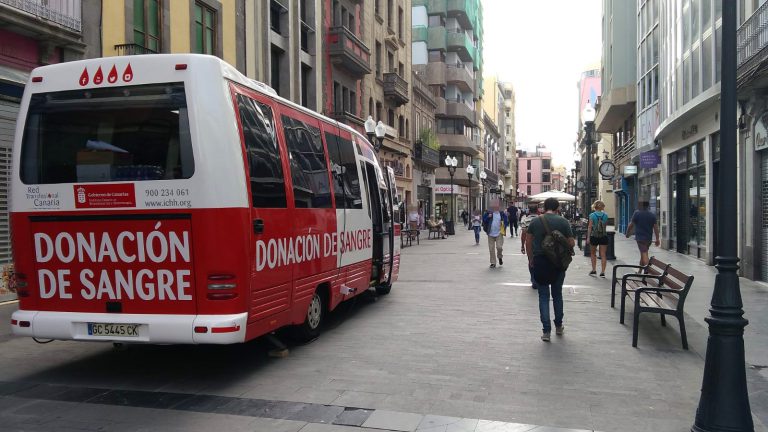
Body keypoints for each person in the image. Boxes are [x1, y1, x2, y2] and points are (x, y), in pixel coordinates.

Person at [525, 198, 575, 342]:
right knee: (557, 294)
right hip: (558, 262)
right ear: (558, 207)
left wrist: (531, 259)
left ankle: (546, 331)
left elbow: (528, 241)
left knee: (543, 296)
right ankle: (558, 326)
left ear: (544, 207)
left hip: (540, 261)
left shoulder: (535, 221)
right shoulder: (563, 222)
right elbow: (571, 242)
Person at [626, 201, 660, 266]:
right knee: (643, 253)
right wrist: (657, 239)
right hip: (648, 239)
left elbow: (631, 225)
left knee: (644, 253)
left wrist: (627, 233)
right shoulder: (652, 215)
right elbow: (656, 228)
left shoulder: (637, 213)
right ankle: (640, 270)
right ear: (648, 206)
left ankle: (647, 269)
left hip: (640, 239)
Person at [482, 200, 509, 268]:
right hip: (490, 233)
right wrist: (488, 217)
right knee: (491, 249)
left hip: (499, 233)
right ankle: (493, 262)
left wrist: (504, 226)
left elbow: (506, 221)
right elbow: (484, 220)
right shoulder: (488, 213)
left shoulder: (502, 213)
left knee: (499, 247)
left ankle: (500, 257)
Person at [587, 200, 609, 278]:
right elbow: (605, 227)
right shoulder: (605, 215)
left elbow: (590, 227)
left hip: (594, 236)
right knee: (603, 254)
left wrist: (588, 237)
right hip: (603, 236)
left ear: (595, 206)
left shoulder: (592, 215)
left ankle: (594, 270)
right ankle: (603, 272)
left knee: (593, 253)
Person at [519, 203, 540, 289]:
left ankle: (533, 279)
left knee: (531, 260)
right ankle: (538, 278)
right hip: (540, 243)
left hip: (529, 244)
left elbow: (523, 234)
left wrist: (522, 246)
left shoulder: (525, 220)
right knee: (539, 260)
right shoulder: (541, 219)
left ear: (529, 211)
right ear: (537, 210)